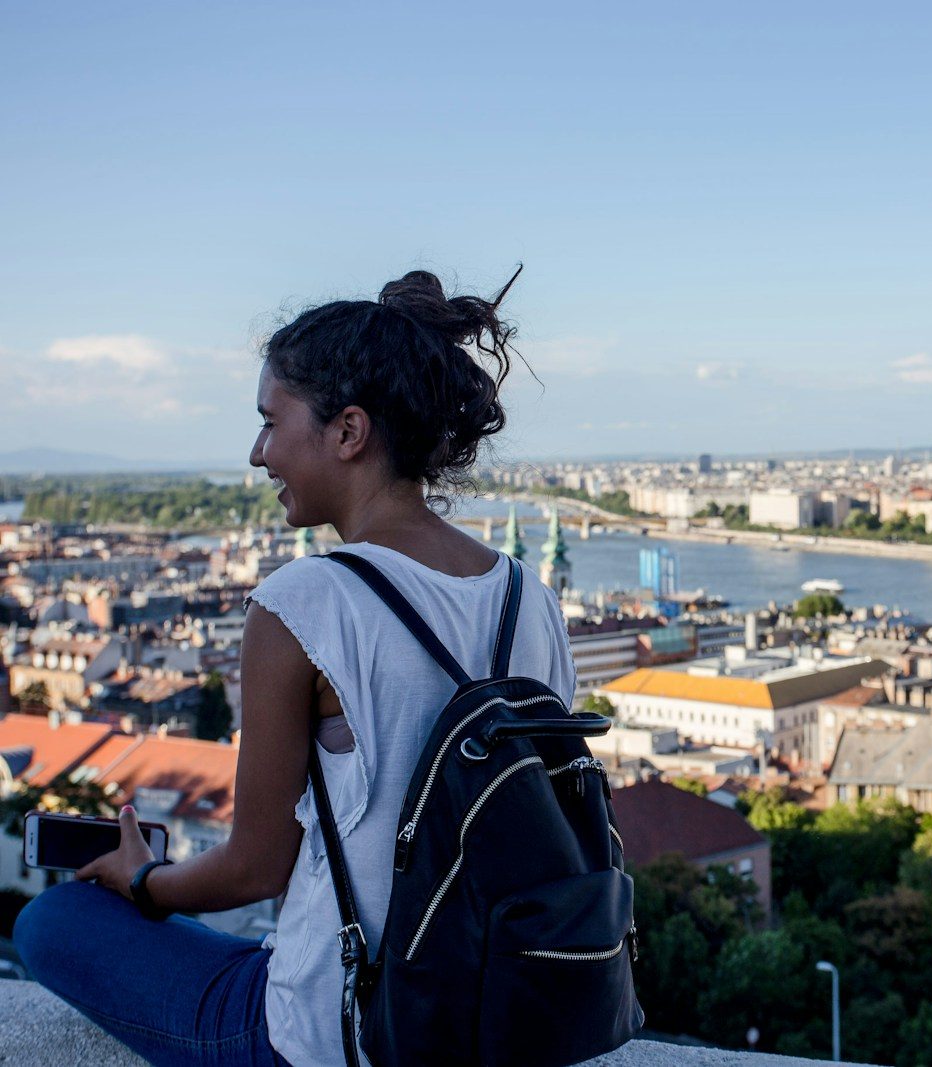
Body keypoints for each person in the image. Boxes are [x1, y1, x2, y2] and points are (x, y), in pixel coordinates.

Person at [14, 270, 576, 1066]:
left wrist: (142, 879)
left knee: (51, 923)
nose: (257, 453)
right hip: (497, 1012)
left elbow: (254, 864)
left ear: (348, 431)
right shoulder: (531, 598)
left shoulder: (307, 598)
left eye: (270, 422)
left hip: (345, 1036)